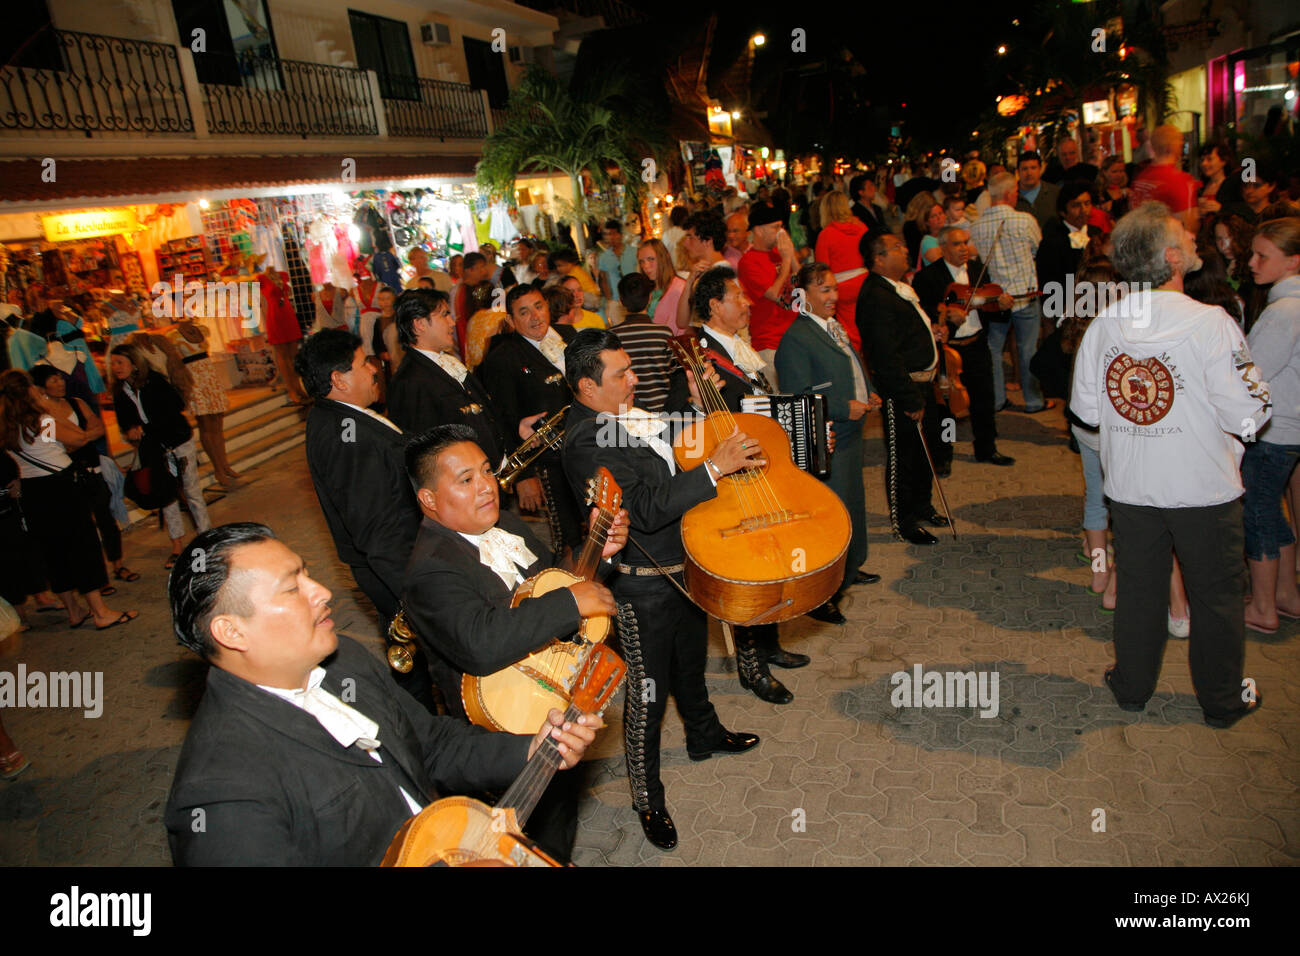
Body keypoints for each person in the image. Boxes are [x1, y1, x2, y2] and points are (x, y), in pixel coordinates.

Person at [162, 522, 597, 865]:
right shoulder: (222, 792)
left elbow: (430, 745)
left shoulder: (341, 661)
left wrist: (528, 750)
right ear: (231, 631)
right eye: (293, 588)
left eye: (308, 573)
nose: (323, 593)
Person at [1070, 202, 1270, 728]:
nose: (1196, 237)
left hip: (1134, 486)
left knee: (1139, 588)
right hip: (1202, 485)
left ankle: (1132, 687)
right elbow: (1251, 409)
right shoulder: (1212, 324)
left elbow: (1087, 414)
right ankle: (1222, 699)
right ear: (1174, 256)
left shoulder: (1104, 326)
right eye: (1186, 233)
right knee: (1217, 596)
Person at [560, 329, 761, 850]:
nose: (634, 380)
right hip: (641, 586)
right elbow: (645, 510)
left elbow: (671, 451)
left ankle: (704, 733)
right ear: (586, 387)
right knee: (647, 696)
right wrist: (717, 467)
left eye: (632, 368)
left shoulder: (623, 414)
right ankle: (647, 797)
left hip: (683, 566)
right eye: (621, 375)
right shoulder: (585, 439)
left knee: (691, 664)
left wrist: (695, 406)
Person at [399, 425, 625, 861]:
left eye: (486, 471)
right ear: (428, 500)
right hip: (500, 731)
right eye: (465, 480)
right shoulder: (430, 570)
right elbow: (481, 642)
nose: (486, 486)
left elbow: (556, 580)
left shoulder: (503, 523)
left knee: (557, 824)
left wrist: (601, 552)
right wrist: (568, 602)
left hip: (548, 699)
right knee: (522, 841)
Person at [294, 329, 434, 708]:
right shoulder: (346, 435)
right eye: (363, 363)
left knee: (417, 665)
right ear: (338, 379)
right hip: (397, 568)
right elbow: (376, 527)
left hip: (397, 564)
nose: (374, 369)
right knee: (420, 667)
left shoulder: (346, 419)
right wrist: (415, 591)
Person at [777, 263, 883, 610]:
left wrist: (868, 392)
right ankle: (824, 593)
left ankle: (850, 569)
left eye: (835, 288)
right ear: (802, 296)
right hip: (828, 435)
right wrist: (840, 407)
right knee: (831, 512)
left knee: (852, 502)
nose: (834, 296)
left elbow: (850, 366)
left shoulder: (833, 326)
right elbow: (798, 395)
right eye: (825, 290)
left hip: (852, 431)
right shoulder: (796, 338)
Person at [0, 369, 139, 629]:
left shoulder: (5, 426)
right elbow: (77, 437)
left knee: (54, 552)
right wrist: (47, 409)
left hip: (32, 491)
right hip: (60, 487)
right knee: (82, 546)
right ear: (29, 389)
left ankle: (74, 611)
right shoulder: (41, 419)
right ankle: (100, 612)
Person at [856, 233, 949, 546]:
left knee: (926, 452)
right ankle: (904, 522)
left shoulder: (898, 288)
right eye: (897, 246)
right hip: (903, 389)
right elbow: (884, 354)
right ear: (879, 258)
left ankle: (923, 506)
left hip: (924, 384)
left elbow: (907, 333)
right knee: (903, 458)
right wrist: (908, 396)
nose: (906, 249)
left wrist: (930, 332)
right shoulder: (875, 295)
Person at [479, 285, 583, 556]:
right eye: (524, 312)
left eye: (538, 306)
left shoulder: (570, 337)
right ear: (511, 322)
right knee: (568, 537)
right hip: (547, 462)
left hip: (586, 447)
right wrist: (524, 476)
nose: (535, 316)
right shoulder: (503, 358)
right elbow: (503, 418)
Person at [913, 225, 1016, 468]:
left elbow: (991, 308)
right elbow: (923, 314)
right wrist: (946, 315)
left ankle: (986, 448)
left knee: (984, 397)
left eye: (965, 243)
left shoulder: (979, 270)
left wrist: (1001, 305)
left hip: (977, 342)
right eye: (957, 244)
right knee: (947, 406)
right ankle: (944, 453)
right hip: (950, 349)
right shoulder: (928, 278)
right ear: (943, 248)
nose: (964, 249)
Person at [29, 365, 140, 589]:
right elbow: (63, 443)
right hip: (68, 476)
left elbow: (96, 428)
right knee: (84, 529)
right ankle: (97, 578)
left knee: (106, 519)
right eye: (53, 380)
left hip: (92, 469)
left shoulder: (76, 402)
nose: (60, 383)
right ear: (40, 387)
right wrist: (80, 436)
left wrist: (80, 437)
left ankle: (117, 564)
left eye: (60, 378)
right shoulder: (42, 416)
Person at [1241, 217, 1300, 634]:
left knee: (1258, 513)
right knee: (1273, 512)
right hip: (1289, 429)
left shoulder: (1283, 311)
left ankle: (1263, 608)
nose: (1251, 262)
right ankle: (1285, 594)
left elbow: (1251, 373)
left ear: (1294, 261)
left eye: (1263, 256)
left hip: (1274, 429)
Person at [109, 344, 213, 568]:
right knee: (166, 496)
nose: (115, 367)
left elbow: (175, 406)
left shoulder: (154, 381)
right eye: (113, 363)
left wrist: (147, 426)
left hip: (177, 441)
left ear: (134, 364)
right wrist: (131, 428)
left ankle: (206, 539)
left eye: (120, 362)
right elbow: (124, 420)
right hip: (155, 448)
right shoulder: (119, 391)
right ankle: (177, 545)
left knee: (191, 491)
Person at [386, 289, 505, 472]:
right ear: (419, 324)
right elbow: (422, 453)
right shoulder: (409, 381)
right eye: (444, 315)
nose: (452, 322)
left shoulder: (447, 361)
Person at [967, 171, 1050, 413]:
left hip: (995, 299)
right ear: (1008, 194)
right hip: (1025, 294)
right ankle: (1034, 401)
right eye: (1015, 191)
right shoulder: (1024, 220)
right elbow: (1037, 249)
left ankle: (997, 399)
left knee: (994, 348)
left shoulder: (977, 226)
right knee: (1027, 349)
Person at [169, 320, 239, 488]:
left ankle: (225, 464)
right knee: (206, 425)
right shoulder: (172, 336)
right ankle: (218, 469)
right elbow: (174, 363)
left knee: (217, 423)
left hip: (209, 375)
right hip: (193, 379)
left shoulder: (201, 329)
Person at [737, 203, 799, 379]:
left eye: (782, 227)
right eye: (775, 227)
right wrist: (787, 260)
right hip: (770, 343)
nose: (781, 233)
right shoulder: (749, 262)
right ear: (759, 230)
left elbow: (804, 286)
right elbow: (774, 295)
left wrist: (791, 256)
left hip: (794, 337)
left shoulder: (780, 254)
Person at [611, 274, 675, 412]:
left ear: (621, 301)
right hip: (662, 411)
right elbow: (675, 375)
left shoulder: (612, 337)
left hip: (628, 412)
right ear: (650, 297)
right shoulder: (664, 334)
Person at [814, 192, 868, 350]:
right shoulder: (862, 227)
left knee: (851, 334)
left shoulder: (826, 235)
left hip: (842, 289)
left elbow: (822, 270)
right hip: (865, 282)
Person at [1128, 125, 1200, 234]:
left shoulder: (1139, 179)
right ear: (1172, 146)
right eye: (1180, 142)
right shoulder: (1180, 180)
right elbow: (1188, 225)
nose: (1182, 145)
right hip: (1169, 245)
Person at [1037, 182, 1105, 296]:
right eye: (1076, 205)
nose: (1083, 210)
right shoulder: (1052, 241)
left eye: (1087, 204)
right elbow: (1048, 282)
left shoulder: (1096, 233)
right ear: (1063, 212)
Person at [258, 269, 308, 405]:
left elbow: (288, 291)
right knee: (282, 355)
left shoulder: (282, 275)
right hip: (275, 316)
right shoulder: (262, 279)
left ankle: (298, 386)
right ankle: (291, 389)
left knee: (294, 354)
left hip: (287, 313)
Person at [675, 212, 728, 332]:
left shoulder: (724, 274)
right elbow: (681, 322)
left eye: (690, 237)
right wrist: (689, 282)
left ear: (707, 241)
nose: (685, 243)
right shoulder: (701, 273)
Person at [637, 238, 687, 332]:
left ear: (664, 257)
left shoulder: (679, 287)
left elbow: (675, 329)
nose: (645, 266)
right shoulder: (648, 289)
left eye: (651, 259)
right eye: (641, 261)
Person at [596, 220, 639, 326]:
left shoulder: (634, 252)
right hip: (616, 300)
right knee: (620, 328)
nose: (610, 237)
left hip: (634, 298)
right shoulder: (604, 257)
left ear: (620, 234)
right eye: (607, 234)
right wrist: (609, 300)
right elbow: (604, 280)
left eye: (613, 233)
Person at [1196, 143, 1243, 226]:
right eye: (1202, 160)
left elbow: (1242, 211)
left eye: (1209, 159)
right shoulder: (1200, 187)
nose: (1204, 164)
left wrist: (1221, 208)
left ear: (1223, 161)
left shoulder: (1233, 186)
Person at [1015, 150, 1061, 229]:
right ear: (1018, 172)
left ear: (1040, 169)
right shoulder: (1012, 195)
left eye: (1033, 168)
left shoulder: (1055, 193)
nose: (1029, 173)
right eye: (1024, 169)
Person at [849, 171, 887, 235]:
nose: (874, 189)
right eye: (870, 187)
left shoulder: (877, 208)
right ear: (861, 192)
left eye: (873, 185)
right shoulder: (855, 212)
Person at [1096, 155, 1130, 225]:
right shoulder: (1099, 193)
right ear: (1104, 172)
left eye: (1121, 171)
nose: (1118, 175)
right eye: (1114, 172)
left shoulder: (1128, 191)